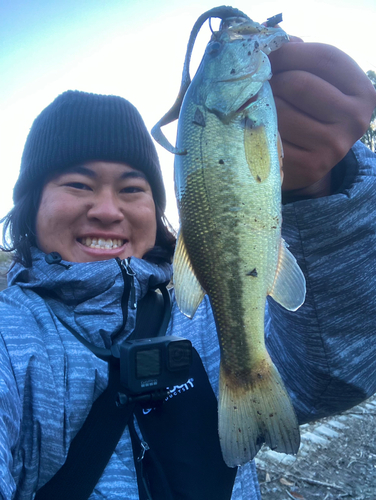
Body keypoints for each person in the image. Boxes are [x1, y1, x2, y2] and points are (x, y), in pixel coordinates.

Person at [0, 37, 375, 500]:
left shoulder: (200, 319)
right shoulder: (10, 337)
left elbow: (334, 373)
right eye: (78, 184)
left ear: (159, 209)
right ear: (30, 206)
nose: (107, 209)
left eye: (133, 188)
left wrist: (322, 190)